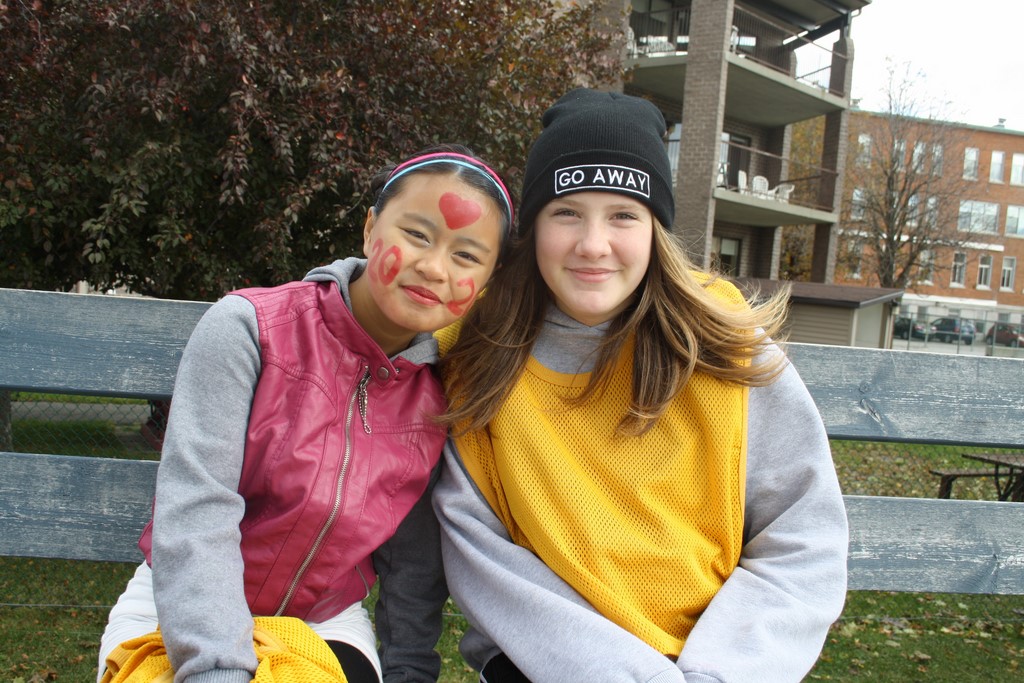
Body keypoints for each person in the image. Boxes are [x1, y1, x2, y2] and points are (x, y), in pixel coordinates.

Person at [434, 89, 848, 682]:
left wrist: (719, 673)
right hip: (549, 664)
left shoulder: (724, 341)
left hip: (713, 665)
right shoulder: (475, 351)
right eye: (566, 212)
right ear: (532, 227)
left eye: (623, 215)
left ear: (656, 228)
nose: (593, 244)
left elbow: (803, 534)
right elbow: (485, 560)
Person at [97, 144, 515, 683]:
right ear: (370, 229)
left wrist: (408, 671)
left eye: (466, 256)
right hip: (177, 608)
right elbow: (198, 507)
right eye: (417, 234)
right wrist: (217, 669)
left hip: (323, 625)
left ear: (487, 281)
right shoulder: (248, 330)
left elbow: (412, 564)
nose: (434, 267)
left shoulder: (440, 396)